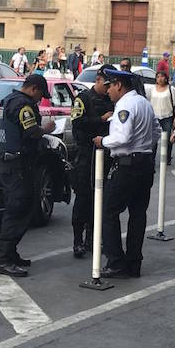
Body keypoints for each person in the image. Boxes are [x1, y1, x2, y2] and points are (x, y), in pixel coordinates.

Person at [92, 69, 160, 278]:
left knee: (108, 212)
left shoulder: (125, 105)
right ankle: (133, 262)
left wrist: (102, 141)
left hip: (128, 165)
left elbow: (121, 137)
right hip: (145, 163)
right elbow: (156, 131)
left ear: (119, 85)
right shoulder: (144, 103)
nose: (108, 91)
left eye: (110, 86)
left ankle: (115, 262)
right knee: (137, 214)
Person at [0, 74, 56, 277]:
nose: (40, 99)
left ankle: (10, 255)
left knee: (19, 208)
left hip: (9, 162)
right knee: (17, 210)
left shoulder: (8, 100)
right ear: (34, 88)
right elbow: (31, 131)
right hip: (18, 165)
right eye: (40, 95)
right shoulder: (23, 105)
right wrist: (46, 128)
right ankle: (3, 260)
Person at [70, 64, 115, 258]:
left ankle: (92, 238)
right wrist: (101, 120)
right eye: (106, 84)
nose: (108, 89)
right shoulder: (83, 98)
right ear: (98, 81)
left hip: (104, 154)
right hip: (86, 154)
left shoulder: (111, 99)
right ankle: (78, 240)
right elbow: (77, 123)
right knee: (83, 198)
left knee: (101, 200)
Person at [150, 71, 175, 164]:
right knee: (153, 139)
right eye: (158, 77)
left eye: (162, 76)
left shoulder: (171, 89)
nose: (160, 79)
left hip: (167, 117)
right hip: (154, 117)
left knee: (167, 139)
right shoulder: (151, 89)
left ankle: (167, 158)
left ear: (166, 78)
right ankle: (152, 159)